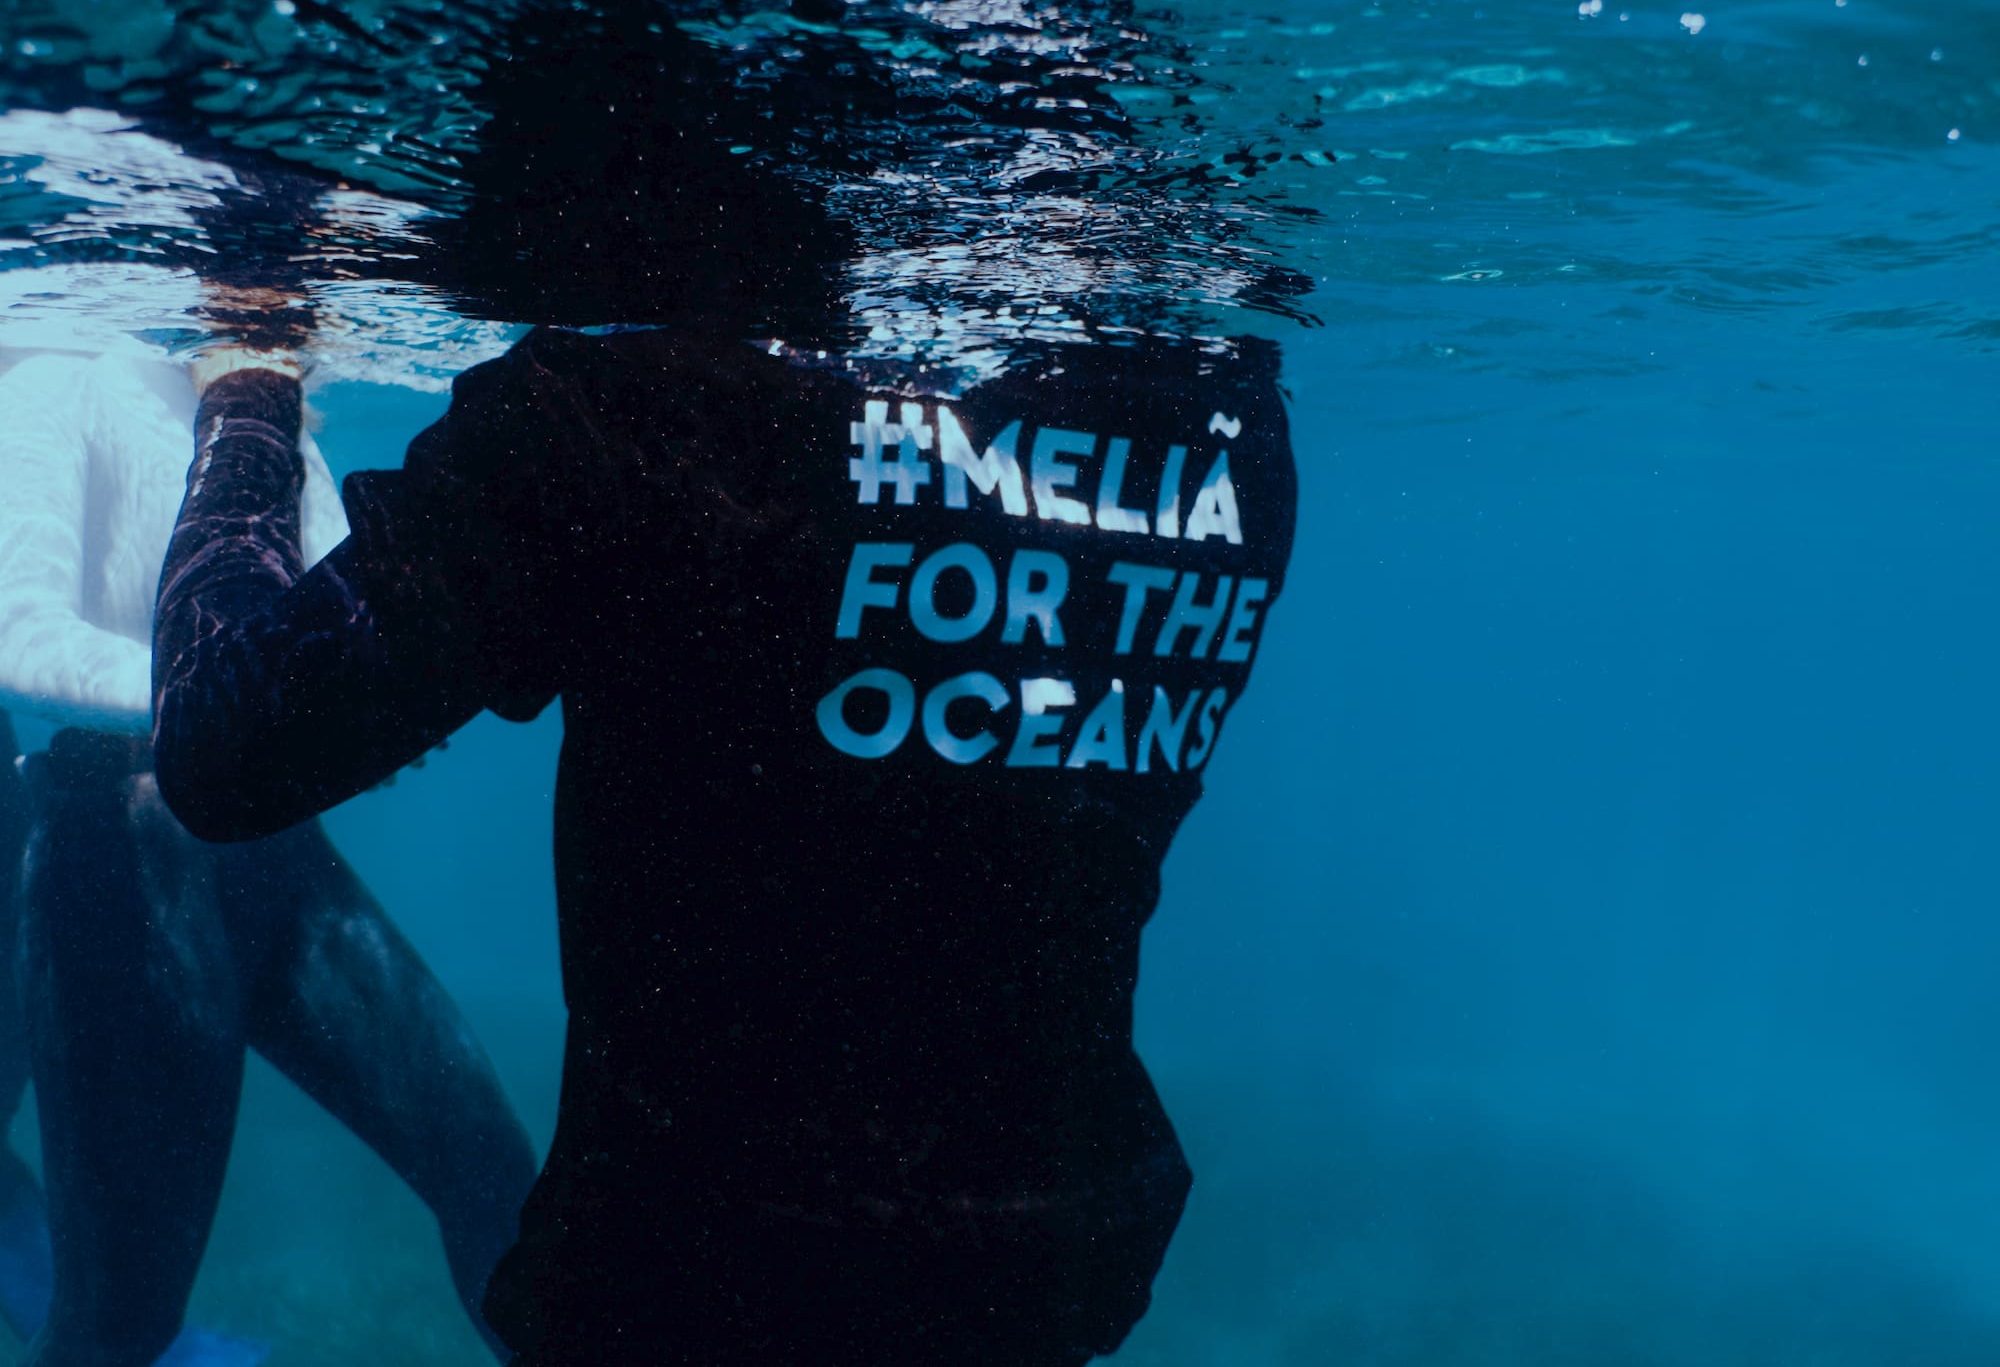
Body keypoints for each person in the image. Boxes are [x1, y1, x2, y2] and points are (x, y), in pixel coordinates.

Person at [152, 317, 1298, 1365]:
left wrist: (249, 384)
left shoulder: (663, 402)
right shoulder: (1223, 415)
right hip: (1041, 1272)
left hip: (706, 1292)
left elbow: (228, 746)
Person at [0, 341, 538, 1367]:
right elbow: (17, 635)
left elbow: (335, 603)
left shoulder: (249, 385)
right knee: (120, 1318)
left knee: (498, 1187)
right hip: (114, 845)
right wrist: (237, 705)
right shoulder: (48, 378)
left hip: (266, 841)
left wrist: (373, 708)